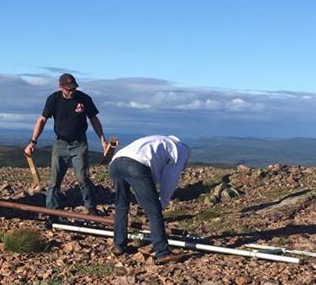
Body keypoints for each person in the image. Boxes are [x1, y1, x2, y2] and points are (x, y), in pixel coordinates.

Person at [25, 73, 110, 211]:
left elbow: (94, 119)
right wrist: (33, 141)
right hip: (60, 144)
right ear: (61, 87)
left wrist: (103, 140)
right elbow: (42, 120)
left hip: (79, 144)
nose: (71, 92)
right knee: (54, 181)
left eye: (73, 89)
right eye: (68, 89)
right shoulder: (53, 99)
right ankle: (52, 211)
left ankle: (91, 208)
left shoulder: (84, 99)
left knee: (83, 178)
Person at [108, 134, 191, 264]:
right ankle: (162, 252)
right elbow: (170, 179)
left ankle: (119, 245)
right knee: (154, 211)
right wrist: (162, 203)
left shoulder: (159, 141)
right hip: (136, 164)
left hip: (115, 163)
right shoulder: (181, 150)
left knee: (121, 206)